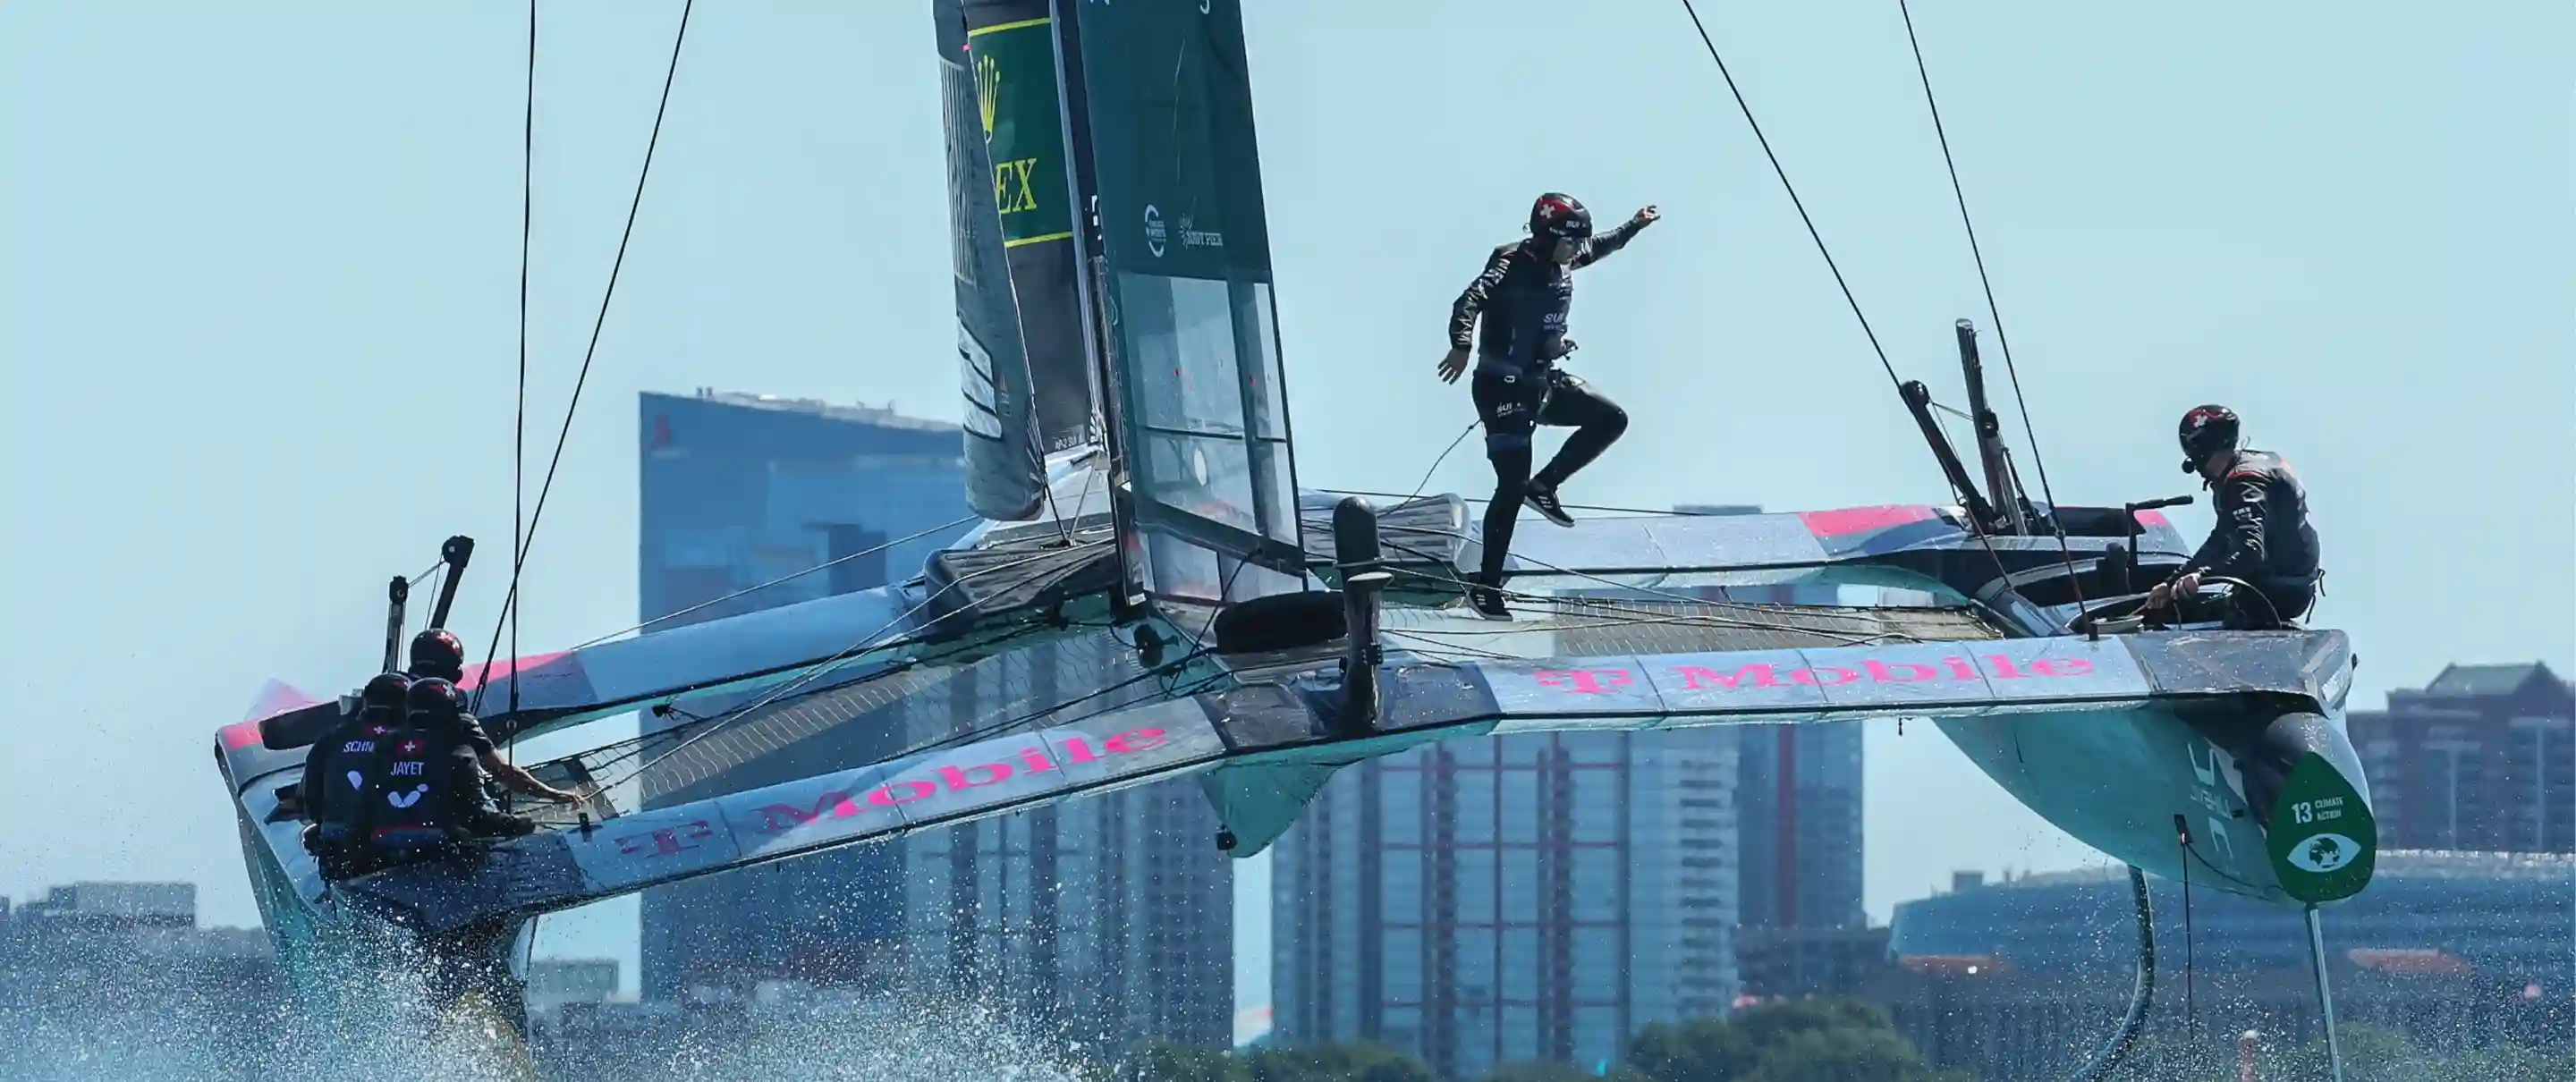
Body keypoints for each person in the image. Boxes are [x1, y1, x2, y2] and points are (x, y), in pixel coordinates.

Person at [1438, 192, 1659, 619]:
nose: (1578, 250)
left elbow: (1603, 244)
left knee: (1611, 419)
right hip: (1500, 388)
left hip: (1539, 383)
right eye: (1571, 242)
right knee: (1510, 483)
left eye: (1580, 243)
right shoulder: (1509, 264)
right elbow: (1468, 301)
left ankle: (1545, 486)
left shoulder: (1567, 257)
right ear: (1545, 237)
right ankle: (1486, 586)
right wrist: (1461, 345)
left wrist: (1635, 224)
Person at [2145, 404, 2322, 628]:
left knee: (2190, 617)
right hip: (2298, 583)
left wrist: (2201, 576)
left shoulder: (2242, 483)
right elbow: (2221, 539)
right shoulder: (2254, 463)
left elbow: (2251, 551)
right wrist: (2170, 583)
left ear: (2202, 451)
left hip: (2279, 593)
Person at [345, 677, 542, 873]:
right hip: (440, 850)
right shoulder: (458, 751)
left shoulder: (382, 746)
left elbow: (363, 807)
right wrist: (515, 824)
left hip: (382, 851)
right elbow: (475, 816)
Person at [406, 628, 581, 806]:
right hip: (441, 816)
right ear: (454, 674)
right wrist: (552, 794)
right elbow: (501, 770)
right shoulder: (457, 717)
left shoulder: (386, 697)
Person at [302, 671, 411, 880]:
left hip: (339, 840)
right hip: (395, 845)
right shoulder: (413, 742)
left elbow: (312, 800)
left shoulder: (332, 737)